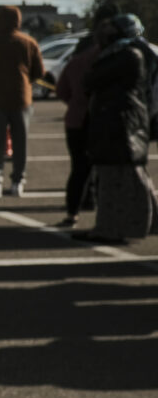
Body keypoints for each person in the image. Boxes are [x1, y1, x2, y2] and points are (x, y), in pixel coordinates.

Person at [73, 13, 158, 243]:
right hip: (119, 123)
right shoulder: (128, 53)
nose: (104, 34)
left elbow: (91, 80)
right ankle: (118, 226)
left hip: (121, 125)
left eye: (111, 29)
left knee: (117, 180)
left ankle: (113, 229)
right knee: (121, 177)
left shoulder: (128, 54)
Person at [0, 6, 44, 198]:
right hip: (22, 99)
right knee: (21, 143)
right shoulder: (29, 43)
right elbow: (39, 72)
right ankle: (18, 181)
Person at [54, 4, 116, 227]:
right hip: (103, 120)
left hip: (76, 120)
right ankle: (106, 214)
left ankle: (73, 211)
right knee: (107, 169)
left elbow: (62, 90)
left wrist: (76, 102)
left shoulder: (77, 60)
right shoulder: (116, 60)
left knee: (79, 169)